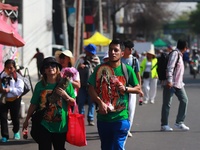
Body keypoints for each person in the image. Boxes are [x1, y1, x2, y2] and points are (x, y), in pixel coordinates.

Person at [88, 39, 143, 150]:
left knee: (118, 146)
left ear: (122, 53)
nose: (112, 52)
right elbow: (90, 88)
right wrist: (100, 102)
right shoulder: (100, 69)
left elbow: (138, 89)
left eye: (115, 50)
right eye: (110, 50)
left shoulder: (126, 70)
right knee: (106, 147)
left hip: (121, 118)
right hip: (103, 119)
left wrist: (126, 88)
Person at [22, 57, 76, 150]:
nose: (50, 67)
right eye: (47, 66)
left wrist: (65, 96)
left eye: (53, 65)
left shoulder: (65, 83)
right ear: (43, 70)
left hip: (60, 126)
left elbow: (73, 102)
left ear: (57, 68)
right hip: (44, 124)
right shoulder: (40, 85)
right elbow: (34, 104)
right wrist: (26, 120)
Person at [161, 39, 190, 131]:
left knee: (184, 100)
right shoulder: (175, 54)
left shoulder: (180, 55)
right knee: (167, 104)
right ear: (185, 48)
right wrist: (169, 80)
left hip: (178, 84)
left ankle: (179, 122)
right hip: (170, 83)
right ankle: (164, 124)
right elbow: (170, 67)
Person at [0, 59, 24, 142]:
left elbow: (20, 90)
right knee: (3, 117)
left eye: (11, 68)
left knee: (15, 117)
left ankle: (16, 131)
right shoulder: (2, 75)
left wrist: (9, 89)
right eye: (7, 68)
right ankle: (5, 136)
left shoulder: (17, 77)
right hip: (4, 100)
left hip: (15, 100)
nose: (9, 70)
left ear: (14, 68)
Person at [121, 40, 142, 138]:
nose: (131, 50)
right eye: (129, 48)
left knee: (131, 109)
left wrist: (139, 88)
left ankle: (127, 129)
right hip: (120, 88)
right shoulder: (119, 59)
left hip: (132, 88)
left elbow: (138, 74)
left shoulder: (134, 60)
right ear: (124, 49)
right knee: (121, 108)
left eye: (132, 49)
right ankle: (120, 127)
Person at [77, 44, 100, 126]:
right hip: (82, 84)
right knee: (81, 101)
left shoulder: (96, 60)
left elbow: (99, 71)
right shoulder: (82, 59)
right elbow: (75, 68)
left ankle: (90, 119)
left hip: (92, 85)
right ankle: (81, 117)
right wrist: (80, 66)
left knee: (92, 102)